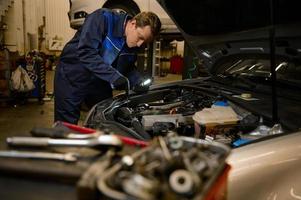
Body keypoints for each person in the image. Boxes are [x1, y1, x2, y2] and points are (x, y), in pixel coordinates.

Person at [54, 8, 161, 124]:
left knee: (105, 119)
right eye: (140, 37)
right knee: (66, 125)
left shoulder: (133, 42)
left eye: (144, 42)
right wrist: (114, 77)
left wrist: (137, 81)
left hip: (99, 80)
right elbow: (86, 52)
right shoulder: (103, 18)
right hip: (73, 74)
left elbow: (128, 67)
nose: (140, 44)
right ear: (133, 23)